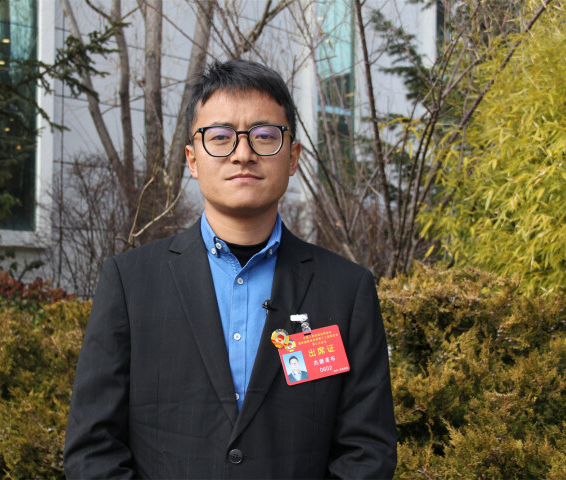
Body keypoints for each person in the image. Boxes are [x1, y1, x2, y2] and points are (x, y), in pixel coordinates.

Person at [64, 59, 397, 479]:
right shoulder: (131, 283)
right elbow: (92, 449)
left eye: (264, 136)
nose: (243, 154)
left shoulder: (346, 290)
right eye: (220, 137)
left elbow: (368, 451)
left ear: (293, 156)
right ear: (192, 158)